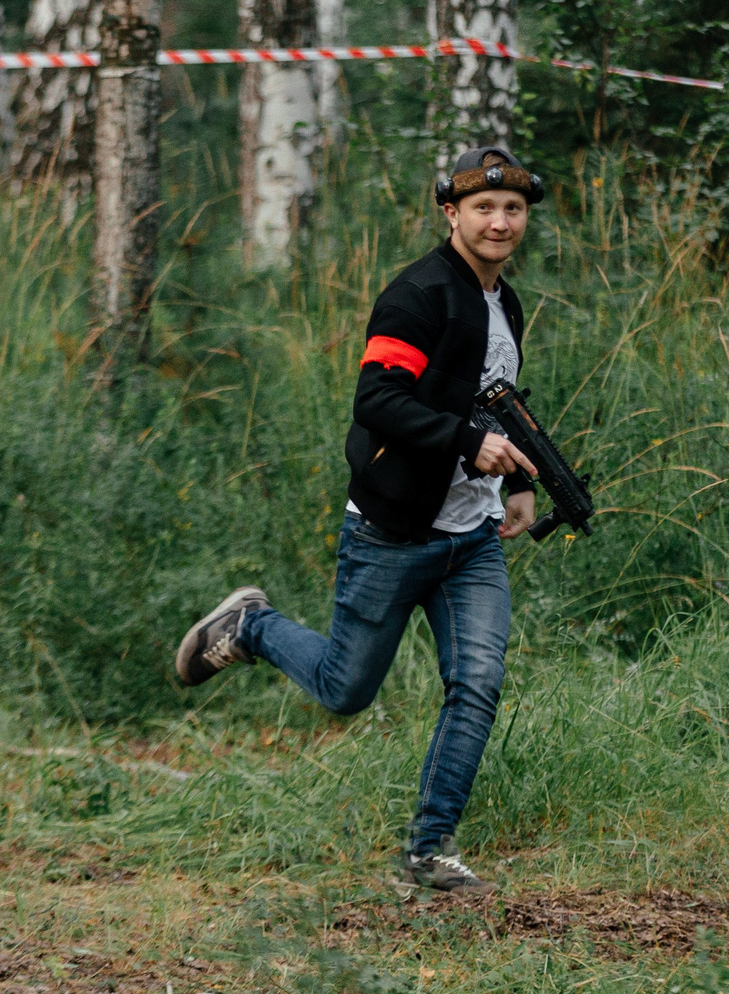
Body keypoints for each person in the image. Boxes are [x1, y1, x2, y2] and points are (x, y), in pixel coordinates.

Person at [171, 146, 545, 892]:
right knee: (346, 690)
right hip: (393, 531)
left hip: (470, 539)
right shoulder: (417, 294)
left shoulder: (504, 301)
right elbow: (378, 400)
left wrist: (524, 478)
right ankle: (251, 627)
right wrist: (472, 442)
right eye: (483, 208)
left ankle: (429, 851)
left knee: (477, 683)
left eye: (512, 209)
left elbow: (496, 398)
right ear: (451, 213)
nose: (499, 222)